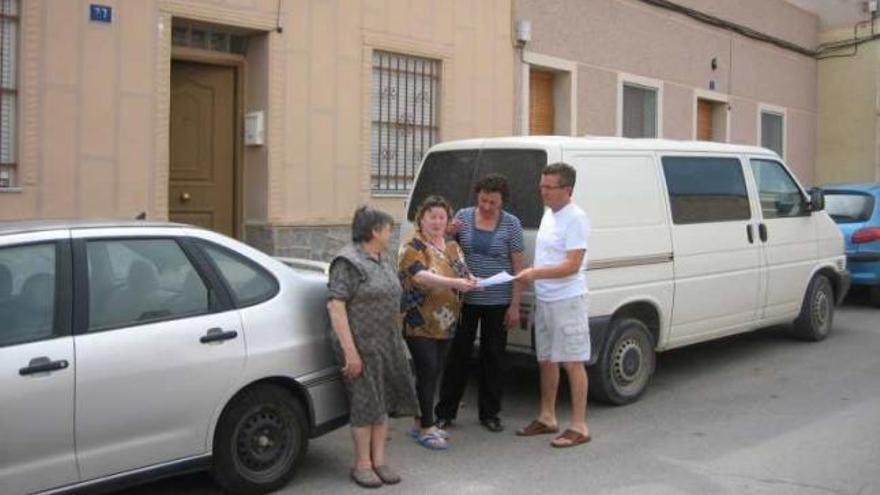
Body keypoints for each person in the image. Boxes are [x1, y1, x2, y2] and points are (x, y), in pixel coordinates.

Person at [327, 206, 420, 488]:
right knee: (366, 404)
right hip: (361, 345)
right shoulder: (348, 261)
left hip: (387, 342)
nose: (391, 232)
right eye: (388, 227)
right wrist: (350, 351)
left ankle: (379, 461)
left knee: (382, 402)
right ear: (374, 231)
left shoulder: (382, 258)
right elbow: (336, 306)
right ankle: (362, 464)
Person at [435, 174, 525, 433]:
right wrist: (447, 233)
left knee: (494, 357)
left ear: (502, 203)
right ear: (478, 196)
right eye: (483, 200)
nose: (486, 206)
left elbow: (519, 268)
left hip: (498, 301)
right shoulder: (462, 216)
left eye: (493, 203)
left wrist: (515, 305)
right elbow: (446, 250)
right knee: (457, 356)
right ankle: (445, 412)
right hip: (465, 299)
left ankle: (490, 413)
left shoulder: (512, 225)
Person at [515, 162, 592, 448]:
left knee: (573, 362)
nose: (543, 191)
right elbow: (548, 259)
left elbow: (572, 265)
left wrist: (535, 274)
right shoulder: (550, 214)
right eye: (541, 186)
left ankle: (579, 425)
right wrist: (530, 275)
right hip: (545, 298)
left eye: (549, 187)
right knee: (546, 359)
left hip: (567, 300)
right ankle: (547, 417)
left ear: (567, 190)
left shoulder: (576, 218)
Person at [398, 195, 478, 450]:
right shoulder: (412, 245)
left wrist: (474, 280)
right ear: (421, 218)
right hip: (417, 319)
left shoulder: (452, 246)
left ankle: (420, 421)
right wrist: (455, 283)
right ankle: (427, 427)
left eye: (441, 217)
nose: (436, 222)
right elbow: (419, 276)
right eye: (431, 216)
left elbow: (463, 271)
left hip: (447, 320)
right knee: (427, 370)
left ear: (448, 221)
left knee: (436, 370)